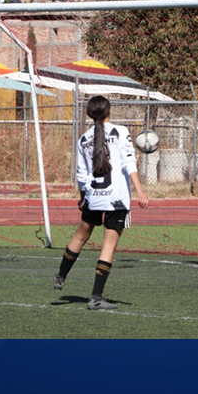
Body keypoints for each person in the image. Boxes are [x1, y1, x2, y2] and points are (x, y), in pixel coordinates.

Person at [53, 96, 150, 310]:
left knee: (80, 236)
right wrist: (140, 191)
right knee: (108, 246)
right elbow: (128, 163)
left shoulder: (83, 139)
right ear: (109, 111)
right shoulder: (121, 131)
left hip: (93, 196)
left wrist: (82, 197)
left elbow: (81, 174)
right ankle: (95, 297)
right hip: (116, 198)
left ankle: (61, 275)